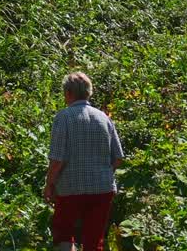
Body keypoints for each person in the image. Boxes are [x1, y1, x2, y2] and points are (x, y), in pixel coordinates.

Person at [44, 72, 125, 251]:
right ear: (88, 92)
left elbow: (57, 159)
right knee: (94, 239)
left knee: (63, 231)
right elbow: (118, 157)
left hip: (70, 188)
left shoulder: (63, 117)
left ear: (69, 93)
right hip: (102, 189)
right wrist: (103, 173)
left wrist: (49, 184)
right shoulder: (104, 118)